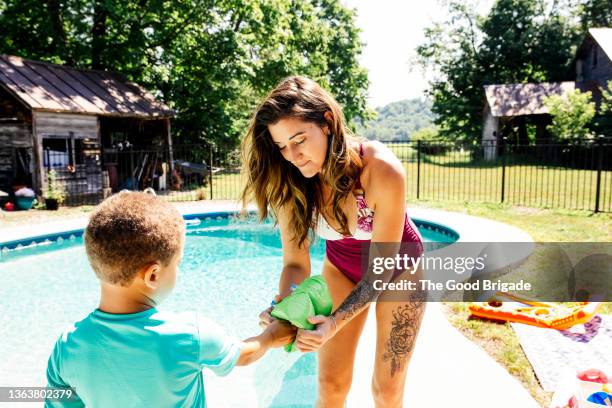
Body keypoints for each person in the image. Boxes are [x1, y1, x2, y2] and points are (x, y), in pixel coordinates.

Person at [241, 76, 426, 408]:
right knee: (330, 383)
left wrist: (334, 324)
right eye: (282, 146)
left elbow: (380, 273)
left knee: (387, 389)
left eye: (299, 139)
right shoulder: (291, 182)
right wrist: (286, 308)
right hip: (341, 269)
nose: (293, 155)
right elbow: (296, 264)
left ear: (327, 122)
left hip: (398, 272)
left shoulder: (381, 170)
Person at [44, 191, 296, 407]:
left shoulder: (68, 346)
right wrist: (272, 335)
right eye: (177, 264)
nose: (179, 270)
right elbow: (244, 354)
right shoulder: (190, 335)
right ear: (153, 275)